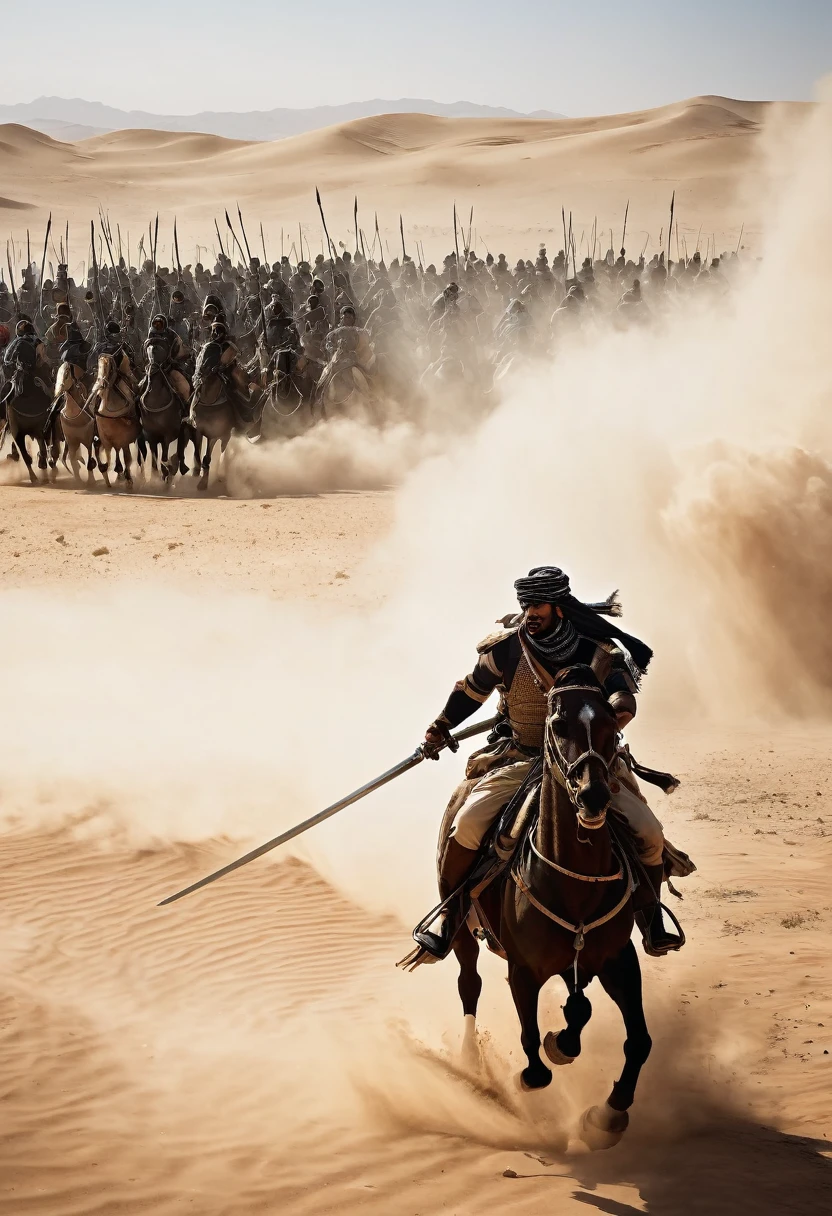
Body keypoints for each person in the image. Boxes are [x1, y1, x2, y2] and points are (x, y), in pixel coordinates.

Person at [415, 565, 685, 961]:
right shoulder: (506, 649)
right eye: (525, 604)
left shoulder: (597, 650)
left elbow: (623, 698)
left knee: (648, 832)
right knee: (468, 825)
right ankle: (450, 914)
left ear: (558, 605)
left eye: (538, 604)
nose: (530, 612)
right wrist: (441, 726)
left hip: (589, 764)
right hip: (521, 759)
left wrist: (610, 716)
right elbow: (471, 692)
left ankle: (650, 914)